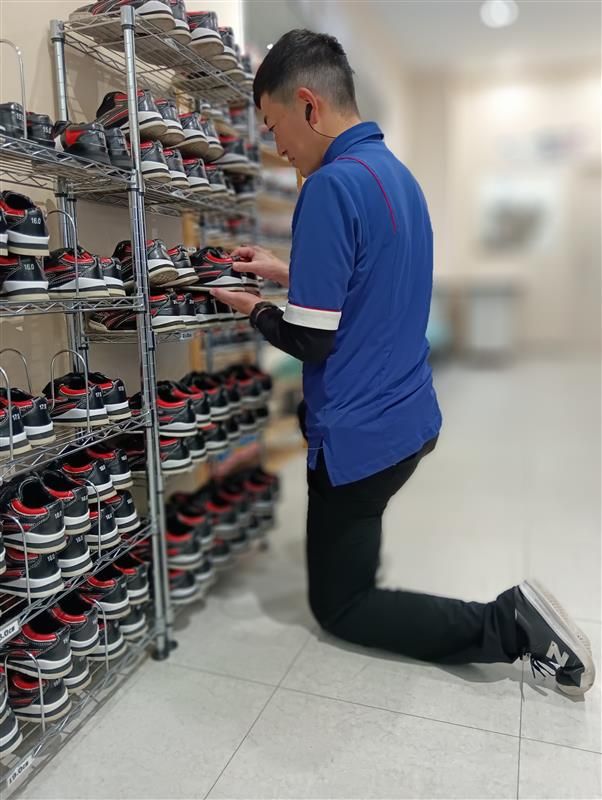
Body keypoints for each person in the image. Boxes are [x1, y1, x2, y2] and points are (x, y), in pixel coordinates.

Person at [211, 29, 595, 696]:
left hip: (357, 440)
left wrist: (253, 308)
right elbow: (369, 280)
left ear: (308, 106)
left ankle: (506, 625)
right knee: (356, 535)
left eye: (273, 126)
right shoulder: (396, 177)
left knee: (342, 606)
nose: (277, 147)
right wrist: (286, 271)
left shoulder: (328, 187)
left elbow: (311, 341)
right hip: (408, 420)